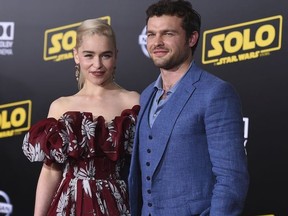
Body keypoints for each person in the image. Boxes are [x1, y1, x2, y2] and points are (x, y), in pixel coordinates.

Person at [128, 0, 249, 215]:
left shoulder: (216, 93)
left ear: (192, 38)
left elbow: (231, 178)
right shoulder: (146, 94)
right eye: (152, 34)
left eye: (168, 34)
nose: (157, 42)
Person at [22, 18, 140, 216]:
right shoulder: (61, 106)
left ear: (116, 57)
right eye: (89, 55)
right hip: (68, 205)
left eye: (106, 55)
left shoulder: (132, 101)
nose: (97, 64)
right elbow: (51, 172)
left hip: (116, 205)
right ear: (76, 55)